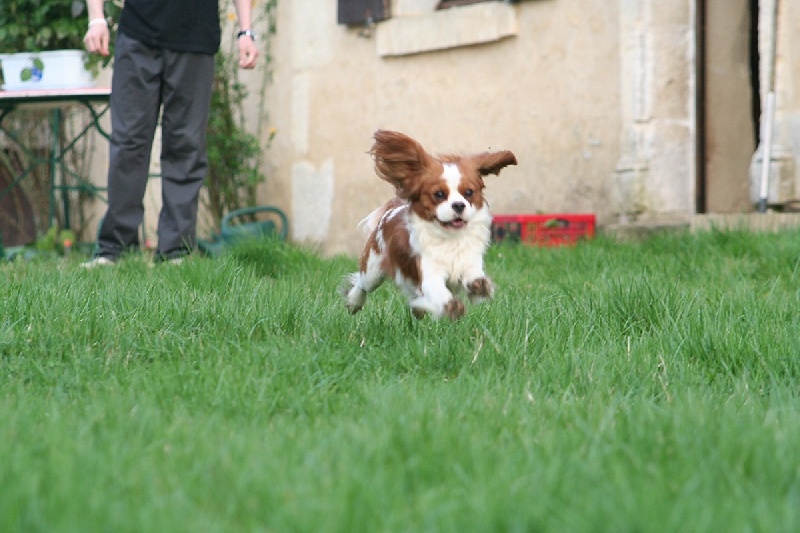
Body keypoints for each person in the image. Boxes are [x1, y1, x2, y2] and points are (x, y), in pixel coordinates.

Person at [81, 0, 259, 266]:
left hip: (196, 39)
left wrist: (246, 31)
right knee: (128, 143)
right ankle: (114, 250)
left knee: (186, 146)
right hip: (137, 35)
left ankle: (176, 251)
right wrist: (96, 18)